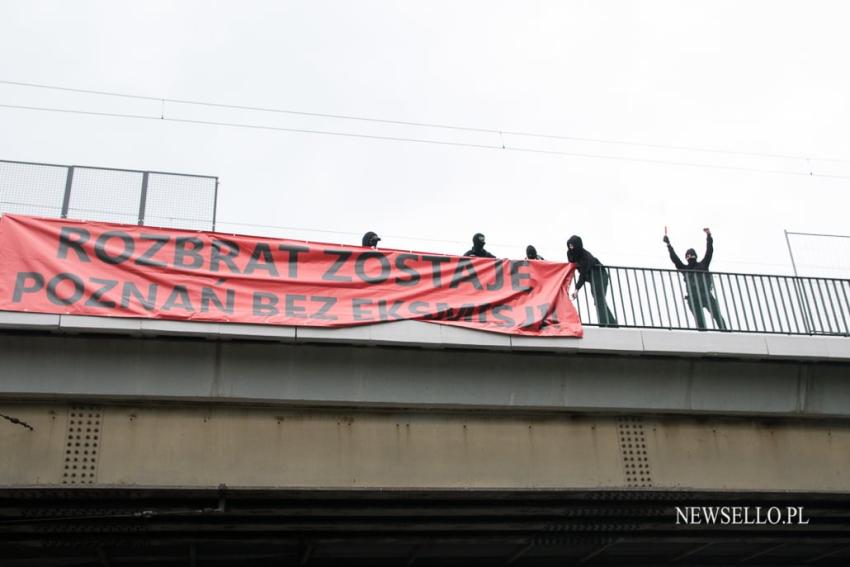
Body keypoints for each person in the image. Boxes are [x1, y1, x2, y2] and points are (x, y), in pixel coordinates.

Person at [663, 228, 727, 330]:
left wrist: (709, 236)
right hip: (694, 297)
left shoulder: (702, 264)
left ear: (694, 256)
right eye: (687, 255)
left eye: (690, 255)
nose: (689, 257)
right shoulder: (686, 269)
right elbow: (675, 259)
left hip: (705, 294)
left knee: (717, 315)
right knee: (700, 321)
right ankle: (706, 334)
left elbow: (709, 251)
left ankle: (724, 332)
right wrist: (669, 245)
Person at [567, 235, 617, 326]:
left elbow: (582, 274)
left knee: (598, 300)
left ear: (577, 245)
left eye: (572, 245)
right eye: (569, 245)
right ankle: (610, 323)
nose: (571, 247)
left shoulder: (585, 257)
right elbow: (571, 266)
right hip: (592, 277)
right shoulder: (570, 253)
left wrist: (576, 289)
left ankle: (608, 323)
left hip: (600, 275)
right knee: (598, 301)